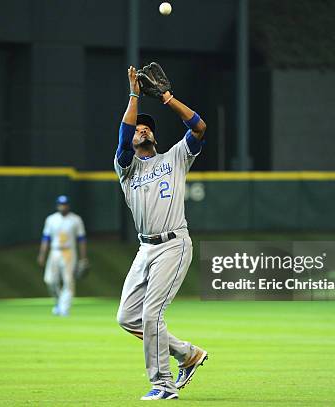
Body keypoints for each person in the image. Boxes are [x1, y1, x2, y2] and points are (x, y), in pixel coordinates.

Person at [114, 63, 208, 400]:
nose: (142, 130)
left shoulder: (175, 158)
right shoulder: (126, 169)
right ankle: (187, 354)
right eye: (139, 128)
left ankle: (163, 385)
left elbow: (198, 127)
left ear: (155, 135)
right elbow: (123, 139)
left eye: (147, 128)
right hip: (145, 249)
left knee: (152, 314)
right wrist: (134, 95)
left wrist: (167, 98)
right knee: (128, 317)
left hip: (173, 244)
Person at [37, 195, 87, 316]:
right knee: (49, 280)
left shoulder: (76, 220)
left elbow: (81, 239)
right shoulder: (51, 219)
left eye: (65, 204)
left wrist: (83, 257)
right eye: (61, 204)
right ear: (57, 205)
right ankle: (59, 302)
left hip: (69, 251)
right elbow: (46, 238)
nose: (63, 207)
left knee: (68, 281)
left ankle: (64, 308)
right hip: (54, 251)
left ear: (68, 205)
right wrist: (42, 254)